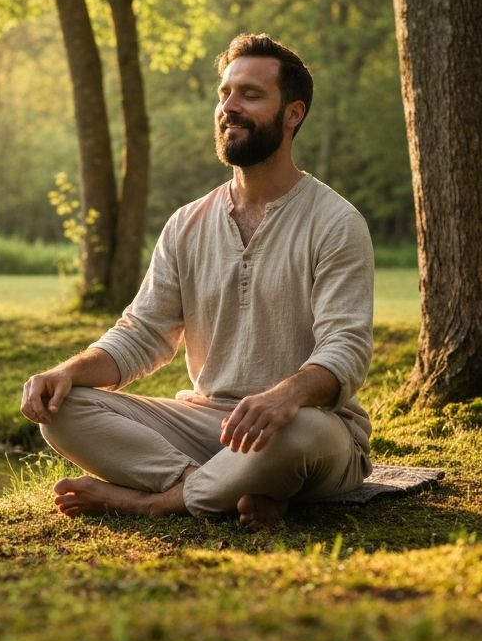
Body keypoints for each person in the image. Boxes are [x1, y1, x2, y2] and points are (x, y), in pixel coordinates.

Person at [20, 33, 374, 529]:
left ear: (293, 114)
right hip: (207, 422)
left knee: (303, 434)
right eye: (225, 93)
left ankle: (155, 501)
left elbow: (346, 349)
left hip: (306, 427)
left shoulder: (336, 222)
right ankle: (218, 486)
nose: (229, 106)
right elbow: (143, 333)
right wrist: (66, 373)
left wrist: (284, 396)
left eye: (250, 95)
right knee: (62, 409)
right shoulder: (187, 223)